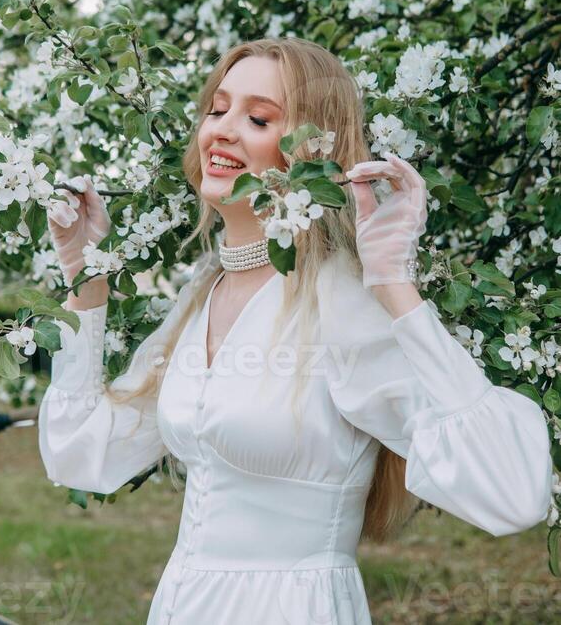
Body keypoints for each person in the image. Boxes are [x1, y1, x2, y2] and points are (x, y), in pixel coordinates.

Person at [38, 37, 553, 625]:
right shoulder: (200, 295)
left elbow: (512, 492)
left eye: (258, 118)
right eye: (218, 108)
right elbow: (81, 454)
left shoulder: (338, 301)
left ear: (309, 154)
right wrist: (86, 276)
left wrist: (392, 284)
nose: (223, 130)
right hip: (185, 605)